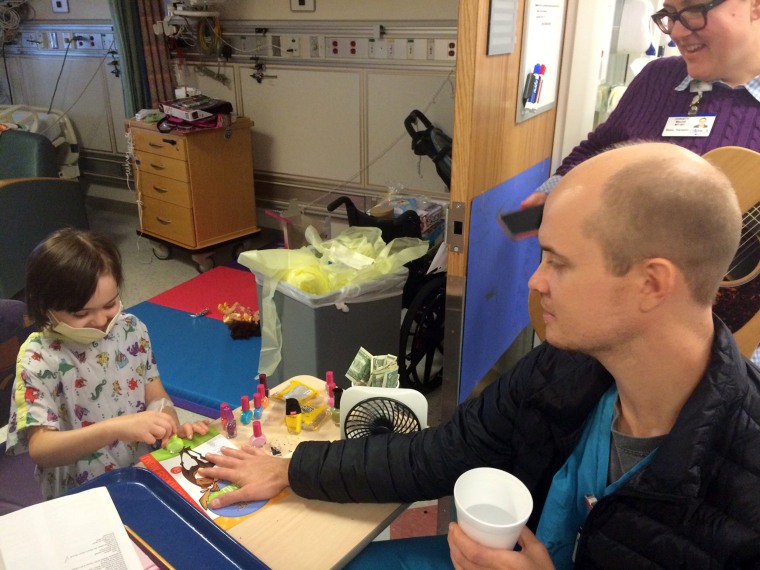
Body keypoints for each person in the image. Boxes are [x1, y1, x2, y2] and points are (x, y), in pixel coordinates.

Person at [198, 142, 760, 568]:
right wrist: (292, 469)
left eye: (559, 263)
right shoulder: (561, 370)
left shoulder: (745, 484)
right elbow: (441, 454)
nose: (536, 282)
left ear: (651, 284)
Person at [5, 228, 209, 499]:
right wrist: (116, 427)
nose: (101, 320)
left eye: (110, 305)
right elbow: (42, 449)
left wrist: (168, 426)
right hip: (80, 493)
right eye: (81, 313)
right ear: (45, 307)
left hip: (138, 474)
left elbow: (156, 395)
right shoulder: (38, 357)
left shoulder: (131, 329)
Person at [522, 0, 760, 209]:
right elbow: (599, 148)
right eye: (671, 15)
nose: (676, 33)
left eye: (695, 10)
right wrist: (553, 191)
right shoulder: (658, 77)